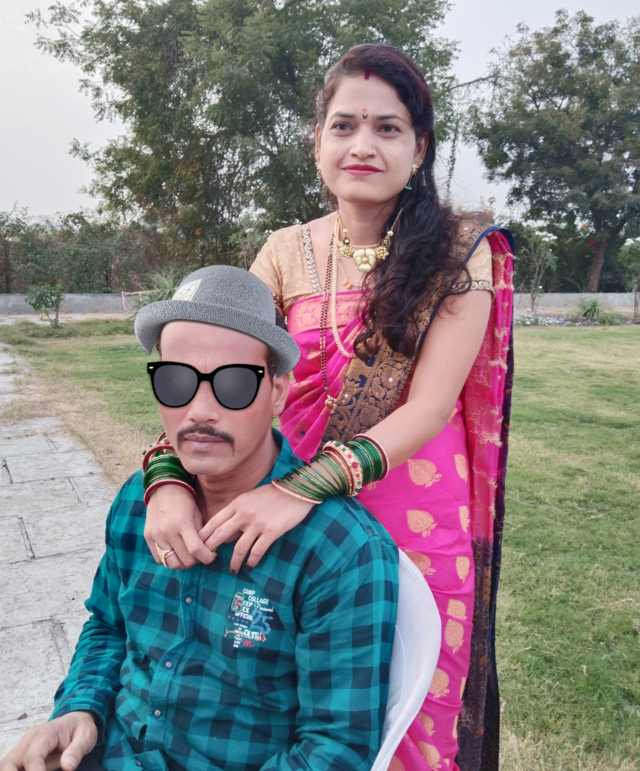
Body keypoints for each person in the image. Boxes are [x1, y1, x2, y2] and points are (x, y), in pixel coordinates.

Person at [142, 45, 514, 771]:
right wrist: (168, 480)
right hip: (280, 517)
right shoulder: (284, 251)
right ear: (317, 141)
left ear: (420, 148)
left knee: (408, 716)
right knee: (295, 705)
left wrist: (299, 490)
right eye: (344, 126)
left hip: (409, 517)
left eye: (388, 128)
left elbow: (430, 406)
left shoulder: (457, 252)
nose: (363, 145)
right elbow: (216, 374)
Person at [0, 266, 399, 771]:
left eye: (233, 383)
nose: (199, 410)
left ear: (278, 391)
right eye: (176, 380)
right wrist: (80, 709)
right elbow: (108, 624)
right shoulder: (138, 501)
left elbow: (335, 749)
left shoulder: (338, 549)